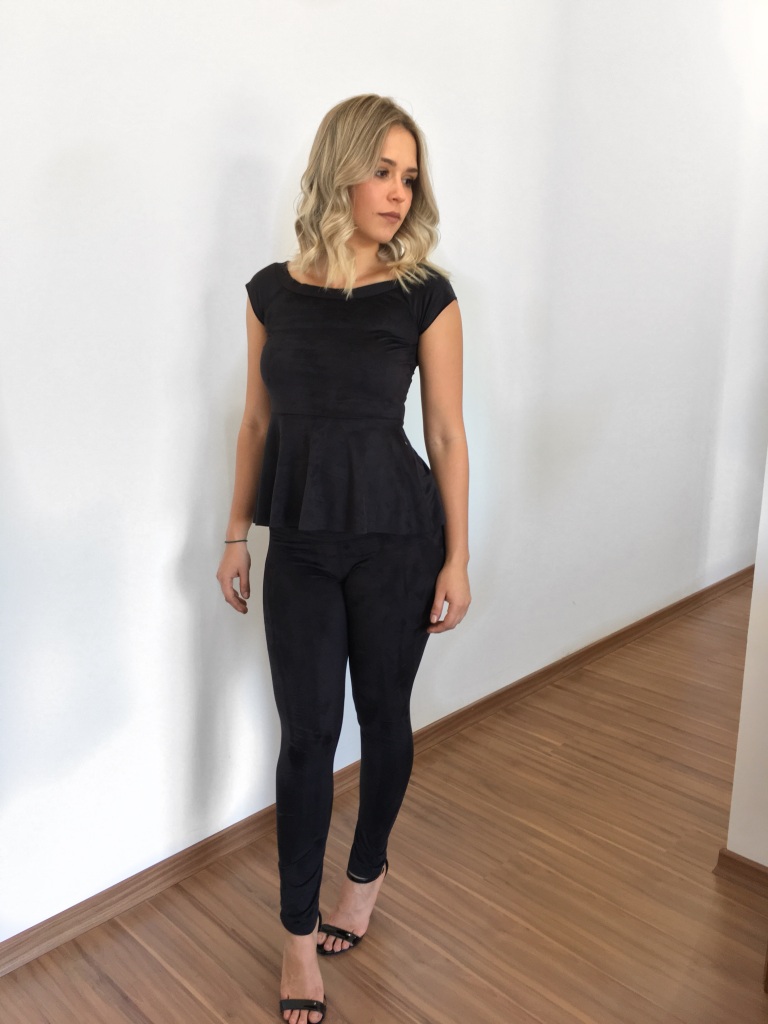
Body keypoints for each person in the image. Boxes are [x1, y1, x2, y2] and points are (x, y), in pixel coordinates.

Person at [216, 93, 470, 1024]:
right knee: (308, 738)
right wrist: (235, 533)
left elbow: (445, 433)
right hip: (302, 539)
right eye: (383, 171)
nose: (399, 192)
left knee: (384, 718)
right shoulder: (269, 293)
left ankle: (364, 878)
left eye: (410, 177)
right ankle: (295, 936)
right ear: (341, 170)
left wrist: (458, 557)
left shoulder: (426, 293)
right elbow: (257, 423)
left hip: (400, 536)